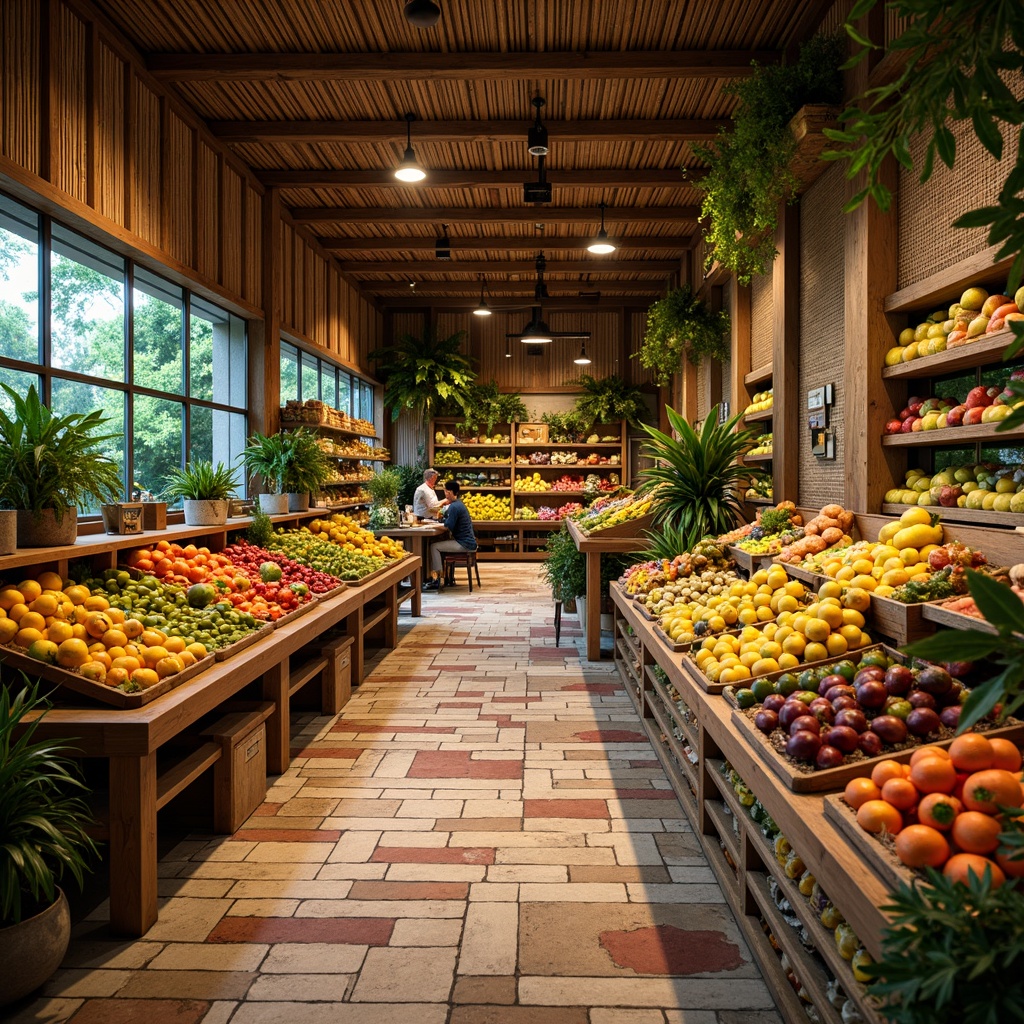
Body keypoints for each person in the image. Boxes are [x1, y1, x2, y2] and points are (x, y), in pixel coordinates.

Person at [423, 479, 477, 590]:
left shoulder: (454, 507)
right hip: (468, 541)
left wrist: (431, 525)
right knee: (437, 544)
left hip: (463, 543)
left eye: (446, 491)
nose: (445, 494)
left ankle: (436, 580)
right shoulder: (458, 504)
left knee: (434, 547)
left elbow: (447, 526)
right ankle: (446, 577)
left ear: (451, 492)